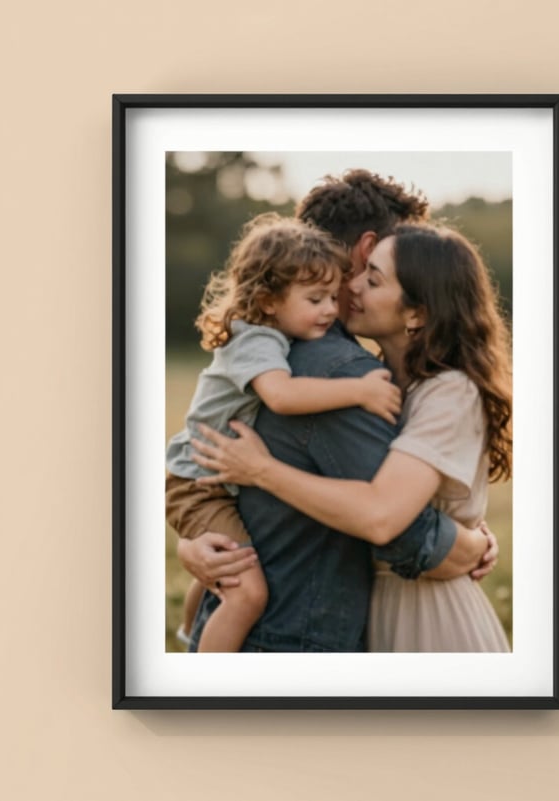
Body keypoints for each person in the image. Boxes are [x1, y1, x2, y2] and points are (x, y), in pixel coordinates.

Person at [176, 170, 499, 652]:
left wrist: (192, 537)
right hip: (296, 636)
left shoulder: (292, 347)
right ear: (368, 248)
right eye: (388, 257)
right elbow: (402, 533)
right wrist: (469, 543)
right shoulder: (335, 371)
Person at [166, 213, 402, 652]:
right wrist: (360, 391)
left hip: (206, 475)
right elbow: (282, 396)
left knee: (231, 561)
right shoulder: (258, 340)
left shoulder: (271, 333)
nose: (331, 310)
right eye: (315, 299)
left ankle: (189, 632)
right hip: (199, 483)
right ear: (269, 300)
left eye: (333, 296)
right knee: (248, 591)